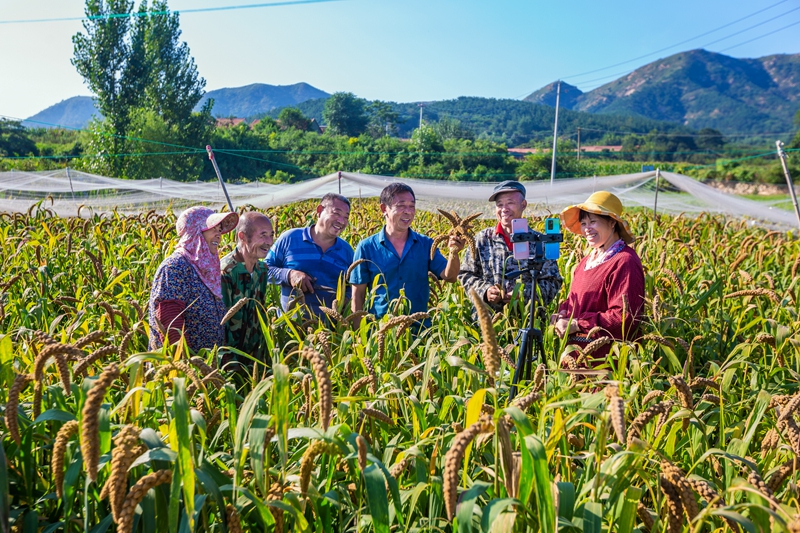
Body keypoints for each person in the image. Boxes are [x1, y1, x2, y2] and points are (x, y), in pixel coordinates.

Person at [551, 191, 645, 358]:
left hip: (605, 361)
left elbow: (624, 317)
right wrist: (563, 313)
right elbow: (577, 300)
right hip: (577, 356)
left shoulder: (624, 261)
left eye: (593, 221)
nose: (587, 228)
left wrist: (578, 324)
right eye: (583, 222)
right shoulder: (587, 260)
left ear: (612, 223)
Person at [350, 183, 464, 319]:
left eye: (412, 206)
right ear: (384, 209)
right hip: (381, 329)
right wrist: (358, 334)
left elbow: (450, 277)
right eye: (401, 206)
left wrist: (454, 253)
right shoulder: (366, 247)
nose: (408, 211)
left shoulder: (426, 244)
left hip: (419, 329)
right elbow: (358, 295)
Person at [459, 180, 562, 312]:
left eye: (510, 203)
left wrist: (524, 295)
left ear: (523, 204)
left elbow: (553, 281)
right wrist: (485, 291)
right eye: (499, 204)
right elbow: (465, 274)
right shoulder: (482, 239)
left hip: (528, 320)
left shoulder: (539, 242)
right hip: (488, 322)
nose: (504, 209)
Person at [148, 206, 239, 352]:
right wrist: (186, 363)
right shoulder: (175, 267)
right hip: (182, 367)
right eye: (213, 229)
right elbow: (170, 320)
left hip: (207, 364)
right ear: (195, 231)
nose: (219, 235)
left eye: (220, 229)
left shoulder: (208, 268)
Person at [266, 193, 354, 318]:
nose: (341, 221)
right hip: (290, 331)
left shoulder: (347, 251)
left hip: (329, 333)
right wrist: (290, 275)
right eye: (336, 213)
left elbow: (353, 287)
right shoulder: (290, 238)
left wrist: (346, 299)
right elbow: (264, 269)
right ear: (319, 211)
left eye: (346, 217)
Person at [220, 211, 275, 367]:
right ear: (242, 236)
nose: (269, 242)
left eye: (271, 235)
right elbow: (220, 324)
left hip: (254, 358)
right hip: (229, 360)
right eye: (263, 235)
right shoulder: (226, 272)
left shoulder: (262, 270)